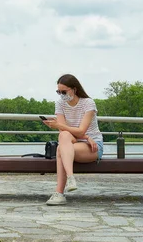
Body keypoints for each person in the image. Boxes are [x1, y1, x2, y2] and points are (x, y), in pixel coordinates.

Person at [42, 74, 103, 205]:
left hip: (92, 146)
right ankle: (70, 178)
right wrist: (85, 136)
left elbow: (81, 130)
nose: (61, 95)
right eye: (58, 92)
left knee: (60, 149)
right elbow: (64, 131)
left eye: (63, 92)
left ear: (74, 89)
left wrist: (86, 137)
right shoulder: (60, 104)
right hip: (74, 142)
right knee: (63, 137)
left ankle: (59, 193)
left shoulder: (88, 103)